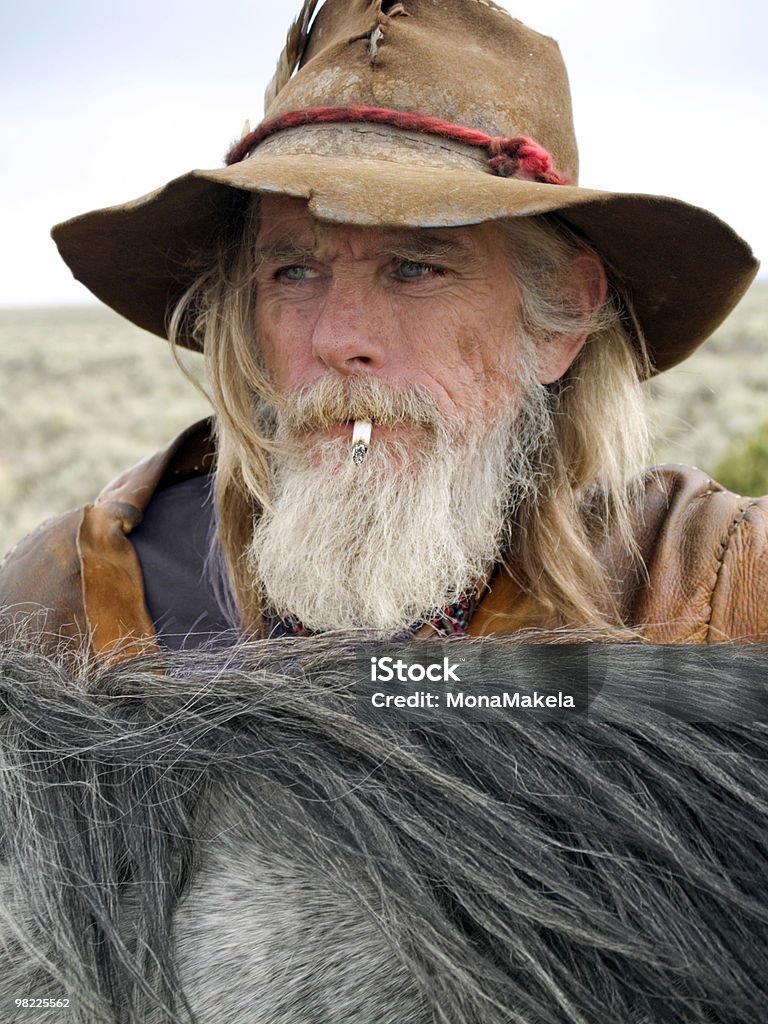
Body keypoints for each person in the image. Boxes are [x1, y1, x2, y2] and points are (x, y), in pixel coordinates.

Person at [0, 0, 765, 656]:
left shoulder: (706, 591)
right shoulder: (79, 601)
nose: (337, 339)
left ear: (560, 318)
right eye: (294, 273)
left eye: (415, 268)